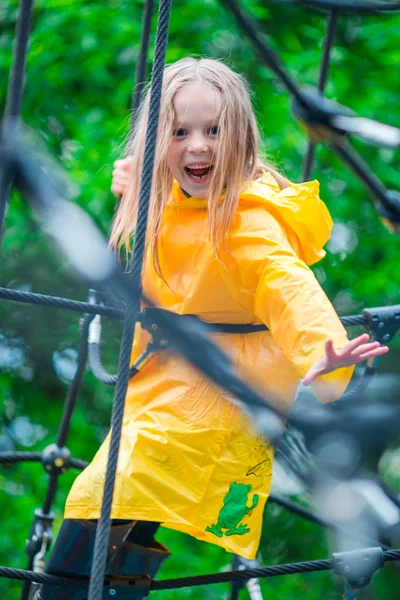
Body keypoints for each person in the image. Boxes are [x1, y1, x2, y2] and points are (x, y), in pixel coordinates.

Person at [37, 57, 388, 599]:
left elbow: (287, 285)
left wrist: (327, 354)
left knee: (110, 487)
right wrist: (130, 179)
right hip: (167, 382)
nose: (197, 146)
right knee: (105, 498)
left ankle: (67, 593)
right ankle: (88, 590)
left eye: (213, 131)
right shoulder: (168, 190)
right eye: (180, 132)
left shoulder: (248, 223)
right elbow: (160, 196)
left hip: (221, 396)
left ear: (241, 138)